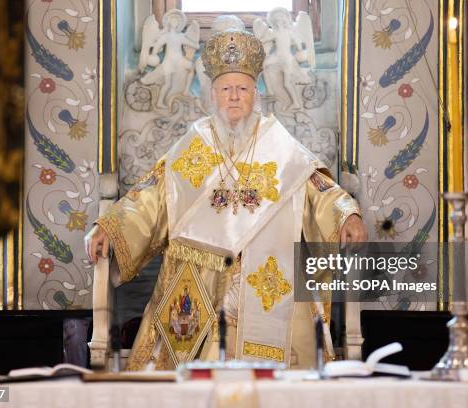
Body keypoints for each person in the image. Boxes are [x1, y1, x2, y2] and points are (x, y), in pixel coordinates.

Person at [85, 28, 367, 370]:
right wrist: (110, 227)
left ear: (255, 93)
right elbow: (152, 197)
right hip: (200, 283)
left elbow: (317, 190)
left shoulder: (278, 142)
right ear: (213, 94)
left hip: (268, 278)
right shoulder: (195, 143)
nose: (234, 97)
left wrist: (346, 215)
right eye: (226, 89)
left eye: (243, 89)